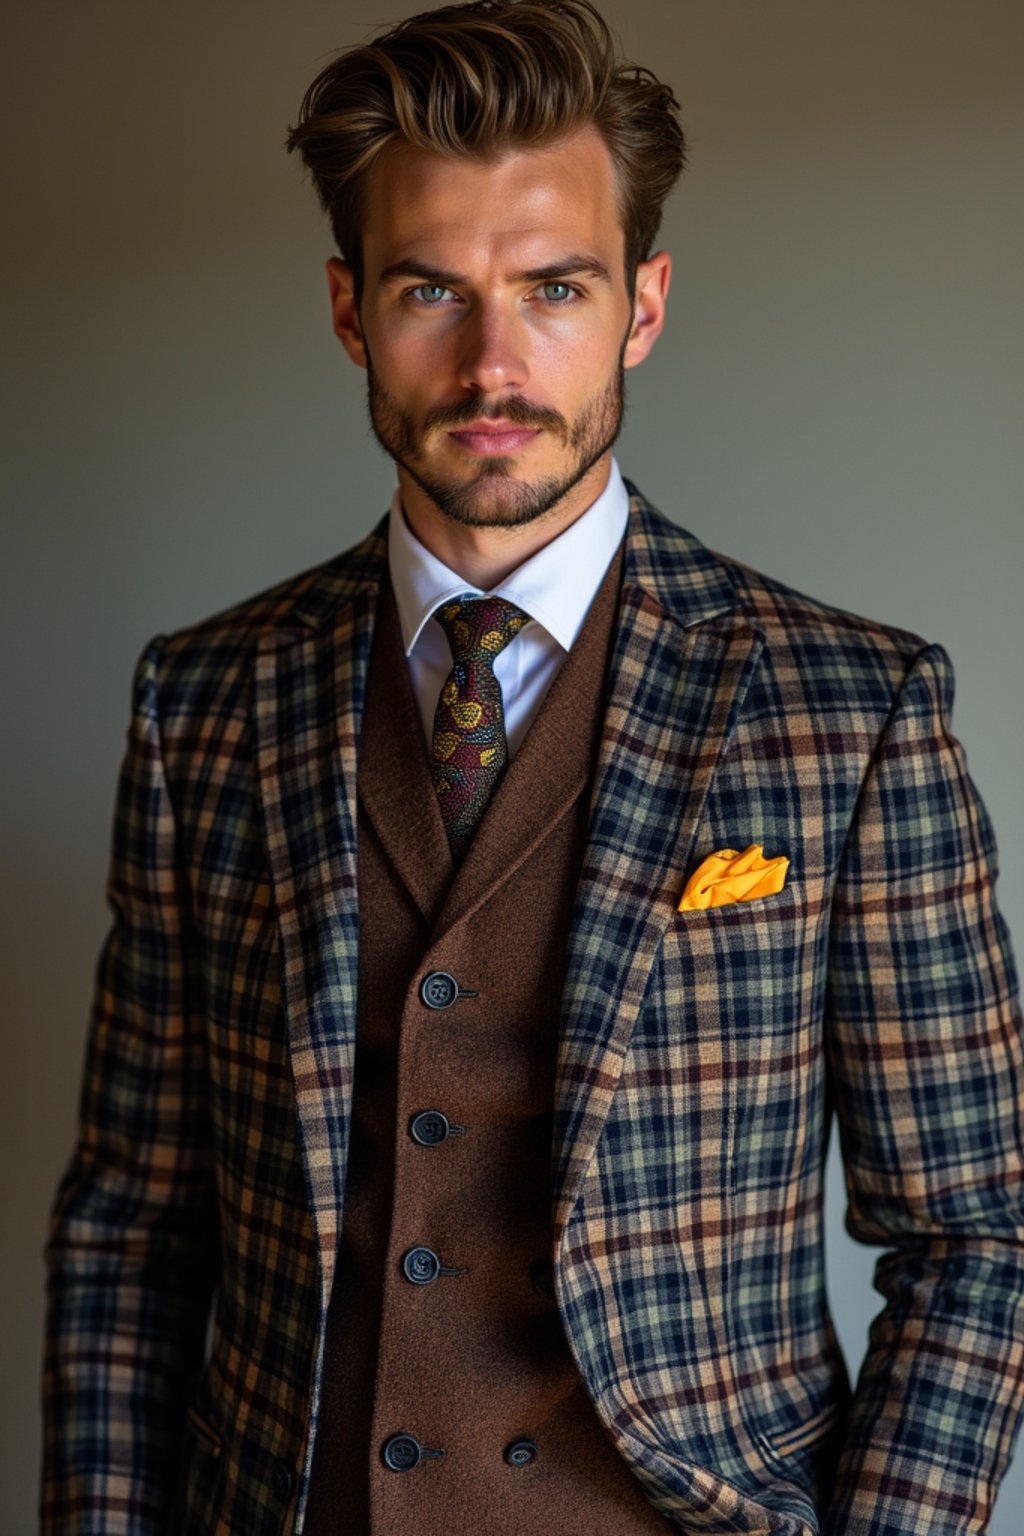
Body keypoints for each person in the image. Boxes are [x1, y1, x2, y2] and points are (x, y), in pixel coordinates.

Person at [40, 1, 1024, 1532]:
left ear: (641, 303)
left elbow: (981, 1231)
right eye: (434, 288)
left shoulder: (853, 713)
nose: (495, 362)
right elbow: (128, 1232)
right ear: (352, 309)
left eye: (554, 288)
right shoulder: (208, 703)